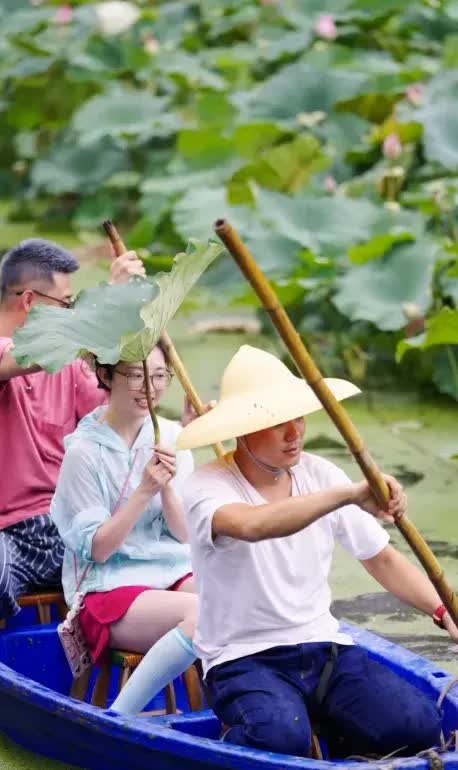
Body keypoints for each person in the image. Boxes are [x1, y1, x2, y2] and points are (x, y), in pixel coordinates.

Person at [177, 345, 458, 759]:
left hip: (323, 647)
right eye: (277, 424)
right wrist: (348, 494)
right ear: (242, 431)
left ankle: (337, 736)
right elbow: (255, 525)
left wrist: (443, 611)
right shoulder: (208, 486)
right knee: (278, 738)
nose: (295, 433)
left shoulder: (321, 473)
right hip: (243, 659)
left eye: (299, 419)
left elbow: (380, 558)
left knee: (416, 727)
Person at [0, 237, 145, 619]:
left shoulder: (69, 365)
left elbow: (116, 419)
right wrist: (107, 302)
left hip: (72, 529)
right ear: (30, 302)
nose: (72, 312)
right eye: (67, 304)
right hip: (8, 537)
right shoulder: (18, 354)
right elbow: (28, 356)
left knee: (167, 553)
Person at [51, 342, 197, 714]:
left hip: (171, 571)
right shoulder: (83, 452)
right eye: (136, 375)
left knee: (240, 596)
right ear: (105, 375)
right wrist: (144, 488)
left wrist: (166, 487)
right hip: (109, 588)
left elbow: (184, 534)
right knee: (207, 614)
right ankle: (120, 716)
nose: (150, 387)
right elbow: (99, 549)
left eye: (159, 375)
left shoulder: (172, 437)